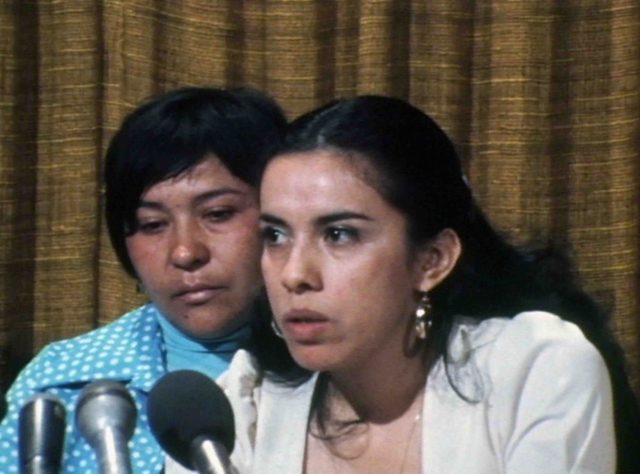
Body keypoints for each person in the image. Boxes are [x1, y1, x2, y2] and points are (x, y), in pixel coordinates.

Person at [214, 95, 640, 474]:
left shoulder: (536, 370)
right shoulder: (243, 405)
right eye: (275, 236)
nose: (293, 274)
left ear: (432, 260)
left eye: (339, 234)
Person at [0, 86, 286, 473]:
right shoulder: (61, 384)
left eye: (218, 213)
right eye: (152, 224)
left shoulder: (341, 369)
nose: (185, 252)